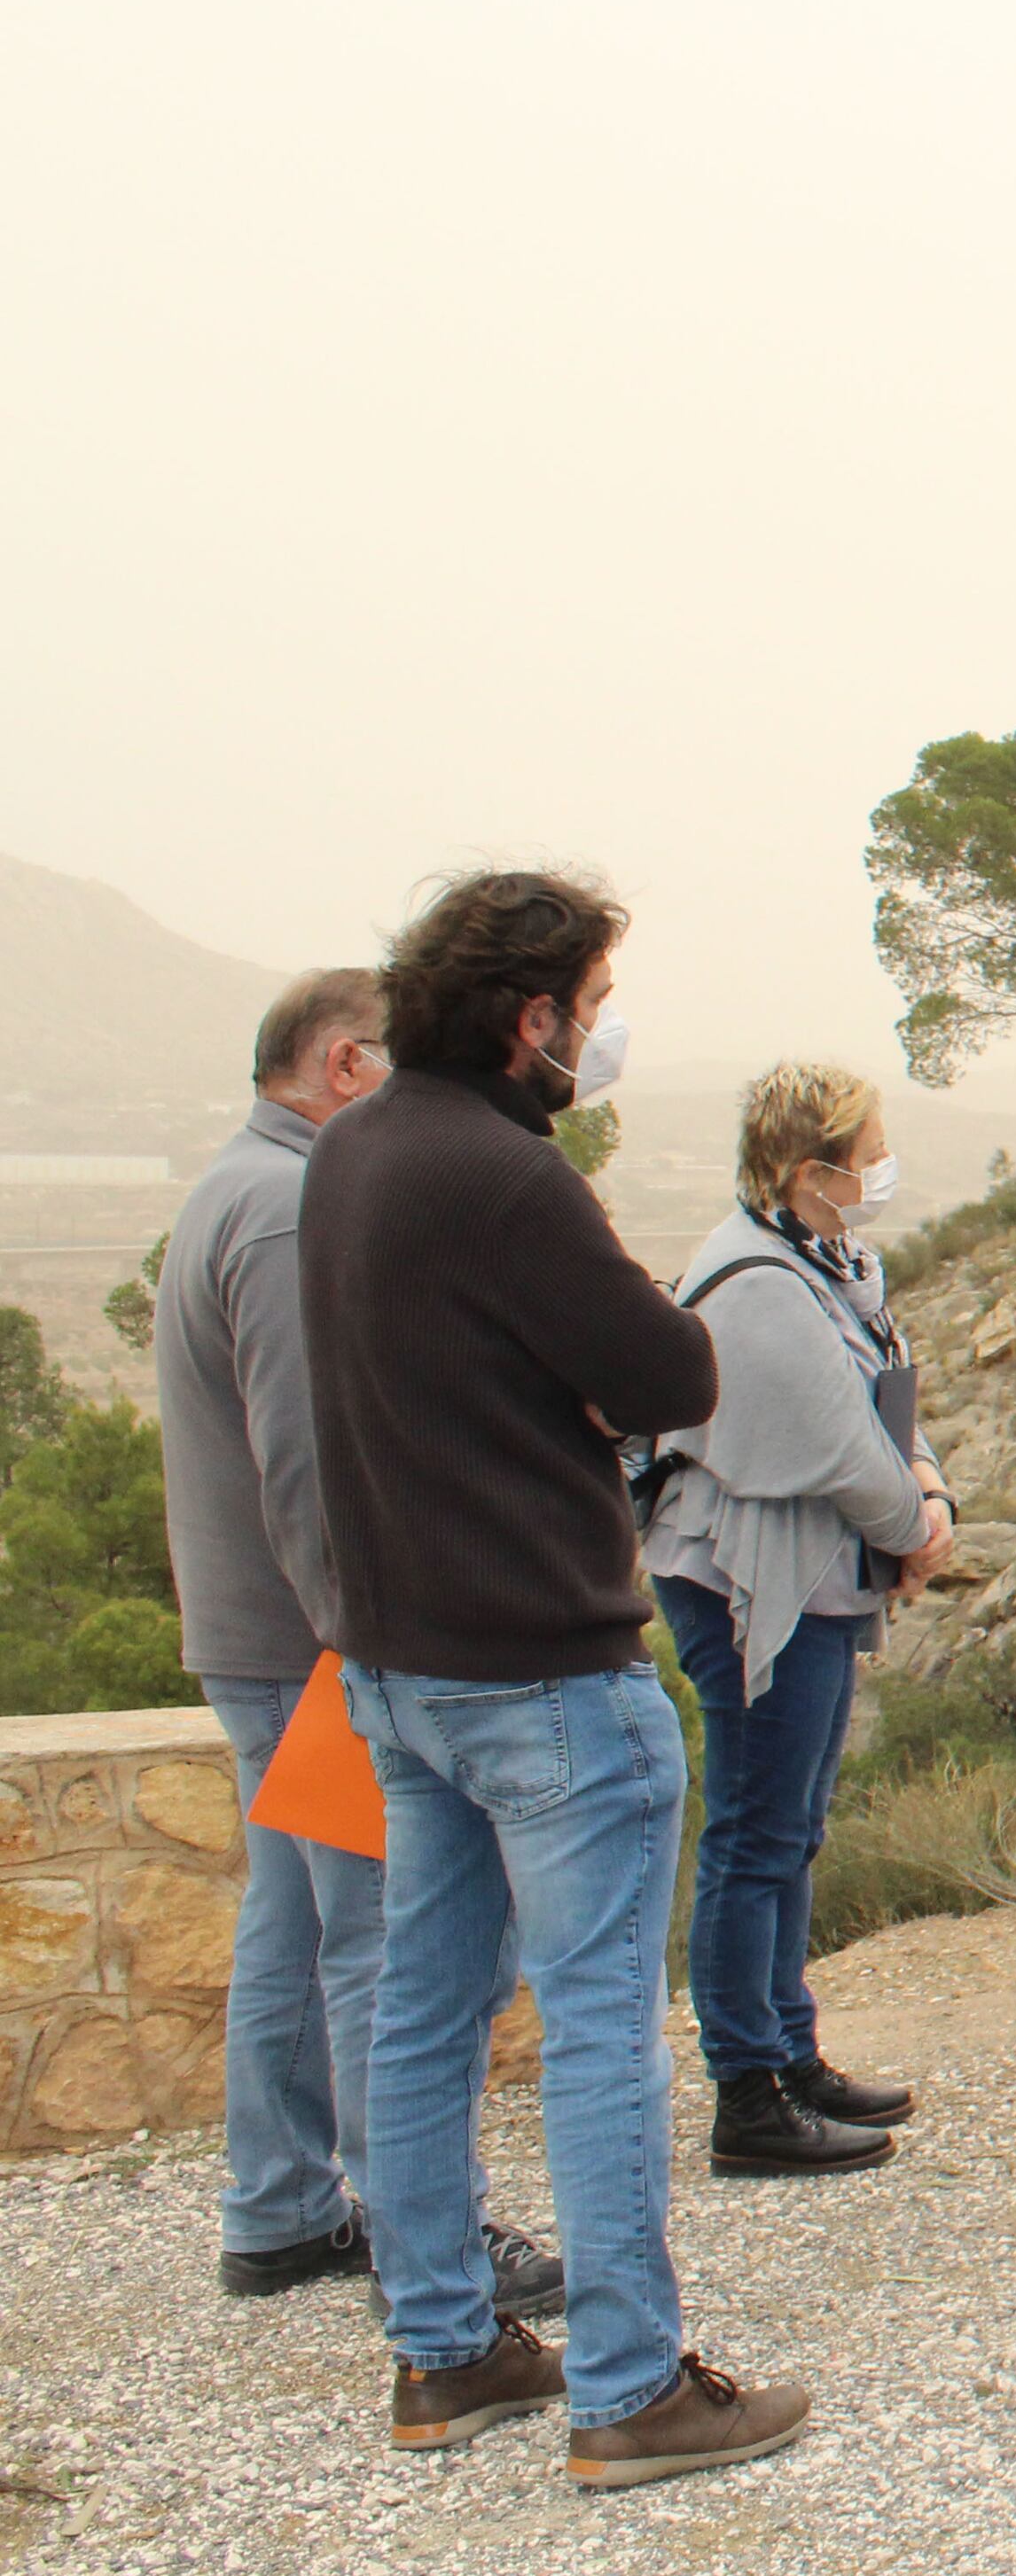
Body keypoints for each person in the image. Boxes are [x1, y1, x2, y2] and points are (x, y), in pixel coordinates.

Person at [301, 870, 810, 2486]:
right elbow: (672, 1371)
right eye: (589, 1004)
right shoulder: (512, 1180)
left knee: (424, 2007)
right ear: (535, 1017)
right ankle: (630, 2382)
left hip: (399, 1661)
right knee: (600, 2026)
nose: (595, 1035)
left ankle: (445, 2347)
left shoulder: (356, 1149)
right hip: (541, 1675)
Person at [160, 969, 558, 2321]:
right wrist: (369, 1645)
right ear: (343, 1065)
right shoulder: (284, 1210)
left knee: (293, 1924)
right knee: (388, 1944)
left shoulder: (239, 1186)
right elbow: (306, 1463)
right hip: (315, 1638)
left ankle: (278, 2209)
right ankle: (422, 2236)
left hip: (265, 1634)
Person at [643, 1060, 952, 2179]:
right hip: (749, 1580)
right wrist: (913, 1522)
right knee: (757, 1826)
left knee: (791, 1821)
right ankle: (747, 2089)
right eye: (862, 1151)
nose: (876, 1170)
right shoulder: (759, 1282)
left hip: (807, 1574)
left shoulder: (826, 1264)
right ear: (802, 1167)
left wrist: (928, 1491)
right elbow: (834, 1438)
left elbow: (887, 1394)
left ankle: (786, 2048)